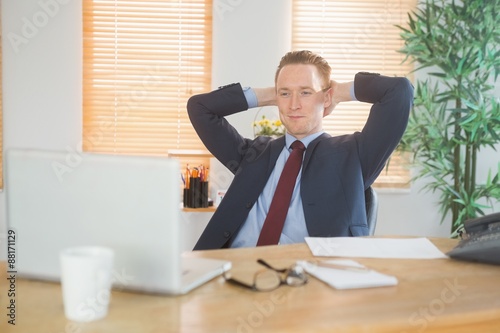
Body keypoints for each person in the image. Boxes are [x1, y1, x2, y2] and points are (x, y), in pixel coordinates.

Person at [187, 50, 413, 250]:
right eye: (285, 94)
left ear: (326, 97)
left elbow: (399, 91)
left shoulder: (354, 156)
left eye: (305, 92)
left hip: (305, 282)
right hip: (231, 272)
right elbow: (199, 107)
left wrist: (341, 92)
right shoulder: (253, 154)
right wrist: (270, 95)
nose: (293, 104)